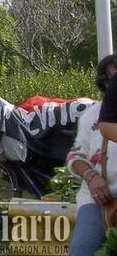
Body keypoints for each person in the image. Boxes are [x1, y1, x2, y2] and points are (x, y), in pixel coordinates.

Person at [67, 55, 117, 256]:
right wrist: (92, 177)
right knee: (82, 250)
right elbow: (75, 157)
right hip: (98, 200)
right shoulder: (90, 117)